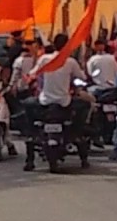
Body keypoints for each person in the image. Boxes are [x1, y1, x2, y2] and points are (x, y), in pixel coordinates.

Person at [26, 33, 89, 171]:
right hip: (64, 102)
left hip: (45, 101)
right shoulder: (70, 61)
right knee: (84, 107)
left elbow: (33, 74)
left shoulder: (44, 59)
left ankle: (29, 148)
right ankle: (80, 140)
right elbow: (82, 77)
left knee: (28, 107)